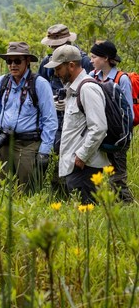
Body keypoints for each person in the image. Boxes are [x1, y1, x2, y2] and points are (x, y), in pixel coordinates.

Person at [0, 42, 58, 193]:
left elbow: (50, 120)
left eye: (17, 61)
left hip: (28, 145)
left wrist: (44, 151)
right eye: (9, 61)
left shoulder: (39, 84)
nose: (13, 65)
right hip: (4, 143)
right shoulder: (3, 82)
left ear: (27, 61)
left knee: (27, 190)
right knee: (2, 188)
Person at [44, 44, 109, 203]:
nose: (55, 73)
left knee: (87, 217)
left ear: (71, 66)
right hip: (77, 168)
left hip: (86, 168)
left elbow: (99, 128)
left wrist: (81, 156)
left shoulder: (87, 88)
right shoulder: (73, 89)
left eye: (58, 68)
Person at [39, 24, 93, 194]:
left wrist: (71, 100)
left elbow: (89, 89)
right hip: (55, 119)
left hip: (78, 118)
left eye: (58, 46)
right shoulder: (48, 62)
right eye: (52, 46)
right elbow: (41, 86)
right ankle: (58, 193)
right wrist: (51, 102)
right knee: (54, 158)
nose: (53, 50)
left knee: (76, 160)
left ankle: (77, 194)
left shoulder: (83, 61)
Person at [89, 40, 134, 202]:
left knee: (118, 178)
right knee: (97, 174)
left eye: (94, 57)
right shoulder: (92, 76)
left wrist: (121, 135)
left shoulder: (122, 79)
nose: (91, 60)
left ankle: (128, 208)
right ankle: (105, 205)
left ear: (106, 58)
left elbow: (129, 113)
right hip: (99, 134)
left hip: (118, 137)